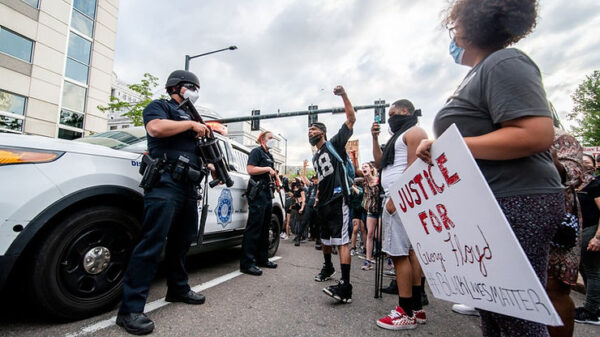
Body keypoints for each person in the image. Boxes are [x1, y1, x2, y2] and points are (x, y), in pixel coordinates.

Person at [416, 1, 565, 335]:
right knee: (494, 314)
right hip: (493, 202)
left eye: (454, 24)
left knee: (518, 319)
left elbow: (536, 132)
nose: (452, 33)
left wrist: (452, 148)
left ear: (475, 22)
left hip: (517, 200)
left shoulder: (504, 62)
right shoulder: (480, 73)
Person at [117, 70, 210, 335]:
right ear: (177, 87)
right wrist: (191, 125)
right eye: (192, 86)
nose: (195, 91)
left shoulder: (193, 116)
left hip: (188, 185)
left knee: (182, 242)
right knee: (152, 242)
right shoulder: (161, 107)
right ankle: (130, 310)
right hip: (165, 182)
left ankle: (178, 289)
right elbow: (155, 128)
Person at [372, 99, 428, 330]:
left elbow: (415, 166)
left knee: (399, 254)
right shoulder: (397, 138)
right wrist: (374, 138)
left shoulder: (415, 131)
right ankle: (415, 309)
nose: (390, 118)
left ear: (406, 111)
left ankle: (405, 311)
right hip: (398, 199)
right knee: (409, 252)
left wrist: (396, 198)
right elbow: (379, 163)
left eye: (393, 113)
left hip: (401, 200)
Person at [310, 85, 356, 304]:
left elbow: (351, 119)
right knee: (326, 239)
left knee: (341, 241)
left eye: (313, 130)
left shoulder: (334, 143)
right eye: (308, 131)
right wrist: (318, 196)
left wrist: (344, 95)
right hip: (325, 201)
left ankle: (345, 286)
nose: (310, 133)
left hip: (339, 199)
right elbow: (321, 178)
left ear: (322, 132)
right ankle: (328, 267)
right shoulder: (315, 157)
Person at [547, 128, 584, 337]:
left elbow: (574, 175)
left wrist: (552, 161)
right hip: (514, 222)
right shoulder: (497, 132)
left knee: (553, 288)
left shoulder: (560, 137)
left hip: (557, 226)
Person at [240, 131, 278, 276]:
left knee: (264, 228)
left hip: (267, 193)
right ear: (262, 139)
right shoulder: (256, 152)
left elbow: (272, 173)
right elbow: (250, 169)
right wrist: (268, 169)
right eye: (270, 138)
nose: (272, 141)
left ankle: (262, 259)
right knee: (254, 228)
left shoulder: (269, 155)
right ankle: (247, 263)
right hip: (257, 193)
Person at [574, 153, 600, 325]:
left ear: (594, 165)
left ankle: (592, 311)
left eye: (588, 163)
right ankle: (593, 306)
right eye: (581, 162)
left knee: (592, 270)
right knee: (584, 268)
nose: (585, 165)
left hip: (592, 230)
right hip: (580, 231)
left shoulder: (596, 185)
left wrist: (597, 237)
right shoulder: (576, 184)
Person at [360, 162, 382, 271]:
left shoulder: (379, 181)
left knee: (379, 235)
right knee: (370, 234)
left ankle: (390, 258)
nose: (364, 168)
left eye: (366, 166)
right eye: (362, 167)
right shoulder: (364, 183)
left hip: (381, 210)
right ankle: (368, 261)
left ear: (371, 169)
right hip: (371, 211)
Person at [300, 161, 321, 249]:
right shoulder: (312, 185)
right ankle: (298, 237)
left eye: (317, 178)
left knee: (317, 223)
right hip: (309, 205)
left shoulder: (321, 185)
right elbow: (304, 178)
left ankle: (318, 239)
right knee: (304, 221)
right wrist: (304, 167)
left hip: (317, 207)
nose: (315, 180)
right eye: (314, 179)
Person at [290, 178, 307, 246]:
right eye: (292, 180)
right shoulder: (293, 189)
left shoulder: (301, 188)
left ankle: (299, 238)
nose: (293, 181)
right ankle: (298, 236)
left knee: (300, 222)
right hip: (297, 205)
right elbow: (295, 198)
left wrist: (302, 208)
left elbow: (303, 198)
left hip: (301, 205)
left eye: (294, 180)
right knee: (296, 221)